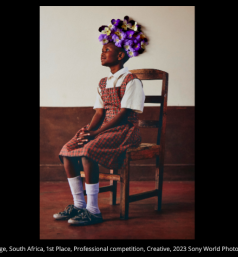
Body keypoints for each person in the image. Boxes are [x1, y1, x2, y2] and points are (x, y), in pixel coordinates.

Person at [54, 16, 149, 226]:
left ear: (121, 54)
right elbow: (99, 112)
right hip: (104, 130)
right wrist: (87, 131)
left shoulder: (131, 81)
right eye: (102, 50)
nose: (102, 53)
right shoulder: (103, 82)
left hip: (125, 130)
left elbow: (124, 114)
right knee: (68, 150)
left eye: (107, 50)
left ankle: (93, 211)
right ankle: (79, 205)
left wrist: (96, 134)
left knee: (89, 152)